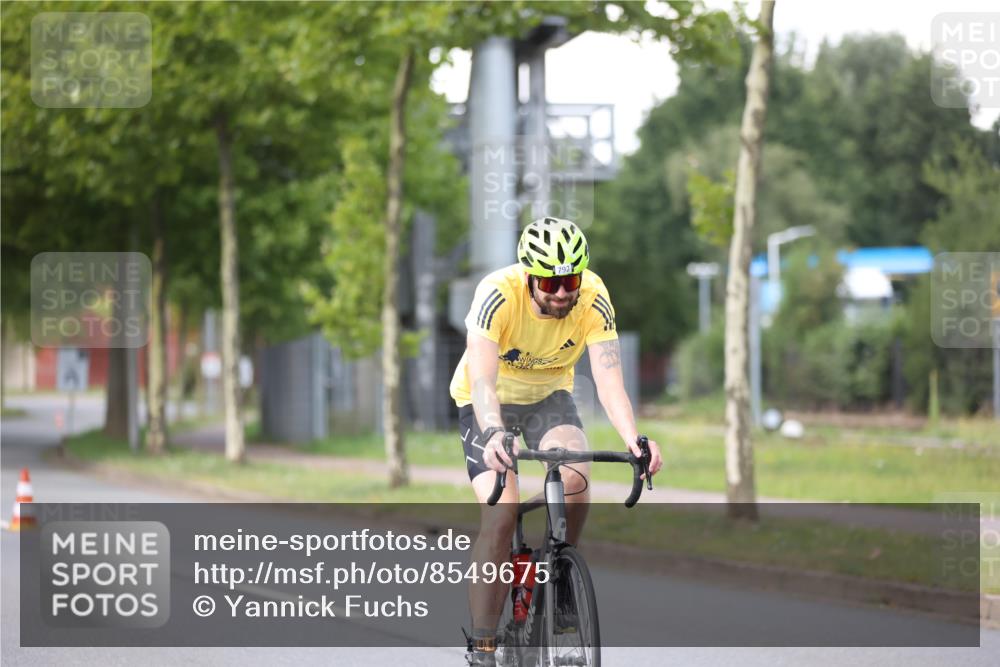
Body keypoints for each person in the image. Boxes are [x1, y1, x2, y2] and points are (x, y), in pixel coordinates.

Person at [450, 217, 663, 666]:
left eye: (570, 279)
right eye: (550, 281)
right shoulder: (497, 293)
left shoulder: (593, 297)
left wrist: (635, 440)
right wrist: (492, 433)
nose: (562, 291)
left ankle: (561, 575)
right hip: (486, 403)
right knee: (501, 514)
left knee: (577, 476)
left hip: (548, 397)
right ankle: (483, 646)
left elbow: (608, 380)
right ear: (528, 274)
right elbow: (483, 381)